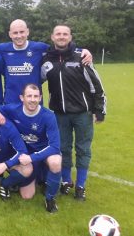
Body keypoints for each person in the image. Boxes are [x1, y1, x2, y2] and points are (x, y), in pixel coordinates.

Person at [41, 25, 106, 202]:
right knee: (63, 149)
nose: (61, 37)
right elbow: (37, 80)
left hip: (83, 113)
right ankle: (67, 181)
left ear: (70, 37)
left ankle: (81, 186)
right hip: (59, 114)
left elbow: (96, 85)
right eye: (58, 34)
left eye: (65, 34)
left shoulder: (81, 57)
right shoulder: (46, 59)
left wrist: (99, 109)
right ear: (52, 37)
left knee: (83, 149)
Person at [0, 19, 93, 104]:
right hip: (11, 102)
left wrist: (82, 50)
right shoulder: (3, 48)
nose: (19, 36)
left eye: (21, 32)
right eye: (15, 33)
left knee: (35, 139)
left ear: (27, 32)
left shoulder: (39, 47)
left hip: (33, 100)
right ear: (10, 34)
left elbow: (60, 47)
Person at [0, 84, 62, 213]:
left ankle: (50, 199)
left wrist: (32, 158)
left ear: (40, 98)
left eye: (35, 96)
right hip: (23, 153)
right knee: (27, 196)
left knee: (56, 162)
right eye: (29, 96)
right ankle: (14, 180)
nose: (32, 99)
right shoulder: (12, 110)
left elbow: (55, 146)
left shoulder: (48, 115)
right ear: (22, 98)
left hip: (41, 154)